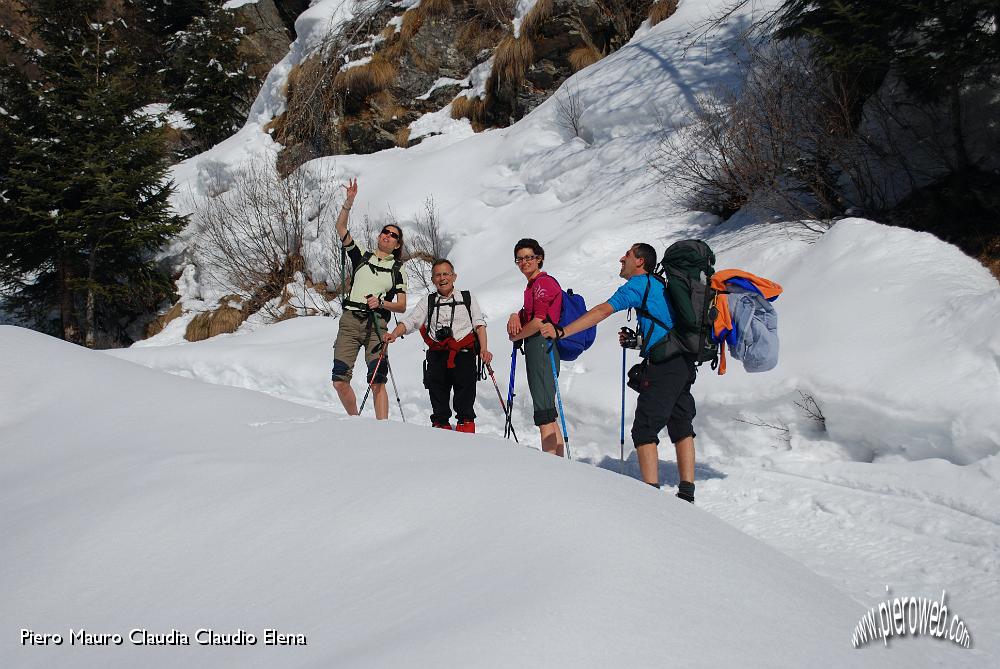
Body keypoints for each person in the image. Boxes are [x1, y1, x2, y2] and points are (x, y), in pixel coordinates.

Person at [539, 243, 698, 503]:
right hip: (683, 362)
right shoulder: (658, 284)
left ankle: (651, 497)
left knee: (644, 429)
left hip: (665, 365)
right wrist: (637, 342)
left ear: (640, 262)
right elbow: (666, 325)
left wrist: (562, 332)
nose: (621, 258)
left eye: (628, 254)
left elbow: (602, 310)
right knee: (681, 422)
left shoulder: (637, 285)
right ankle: (687, 494)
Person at [384, 259, 493, 432]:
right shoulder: (429, 301)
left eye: (446, 274)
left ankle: (467, 439)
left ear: (454, 276)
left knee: (465, 404)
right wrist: (394, 334)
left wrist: (484, 349)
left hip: (464, 355)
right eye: (438, 275)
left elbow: (479, 325)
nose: (442, 278)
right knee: (439, 404)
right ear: (433, 279)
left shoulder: (467, 298)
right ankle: (442, 440)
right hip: (438, 356)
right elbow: (412, 321)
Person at [331, 178, 407, 420]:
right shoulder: (361, 256)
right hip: (351, 321)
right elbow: (341, 229)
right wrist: (349, 203)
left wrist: (382, 303)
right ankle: (355, 421)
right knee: (339, 379)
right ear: (379, 236)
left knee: (377, 379)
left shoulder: (398, 269)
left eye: (393, 235)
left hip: (376, 325)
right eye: (385, 232)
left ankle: (382, 429)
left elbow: (402, 306)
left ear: (397, 245)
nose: (387, 236)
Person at [506, 238, 565, 456]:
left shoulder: (542, 283)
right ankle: (560, 464)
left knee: (543, 412)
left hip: (542, 346)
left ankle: (550, 466)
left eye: (529, 257)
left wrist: (517, 337)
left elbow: (540, 320)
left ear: (539, 258)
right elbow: (528, 314)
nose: (524, 262)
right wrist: (515, 315)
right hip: (541, 347)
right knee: (548, 410)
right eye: (519, 259)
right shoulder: (532, 285)